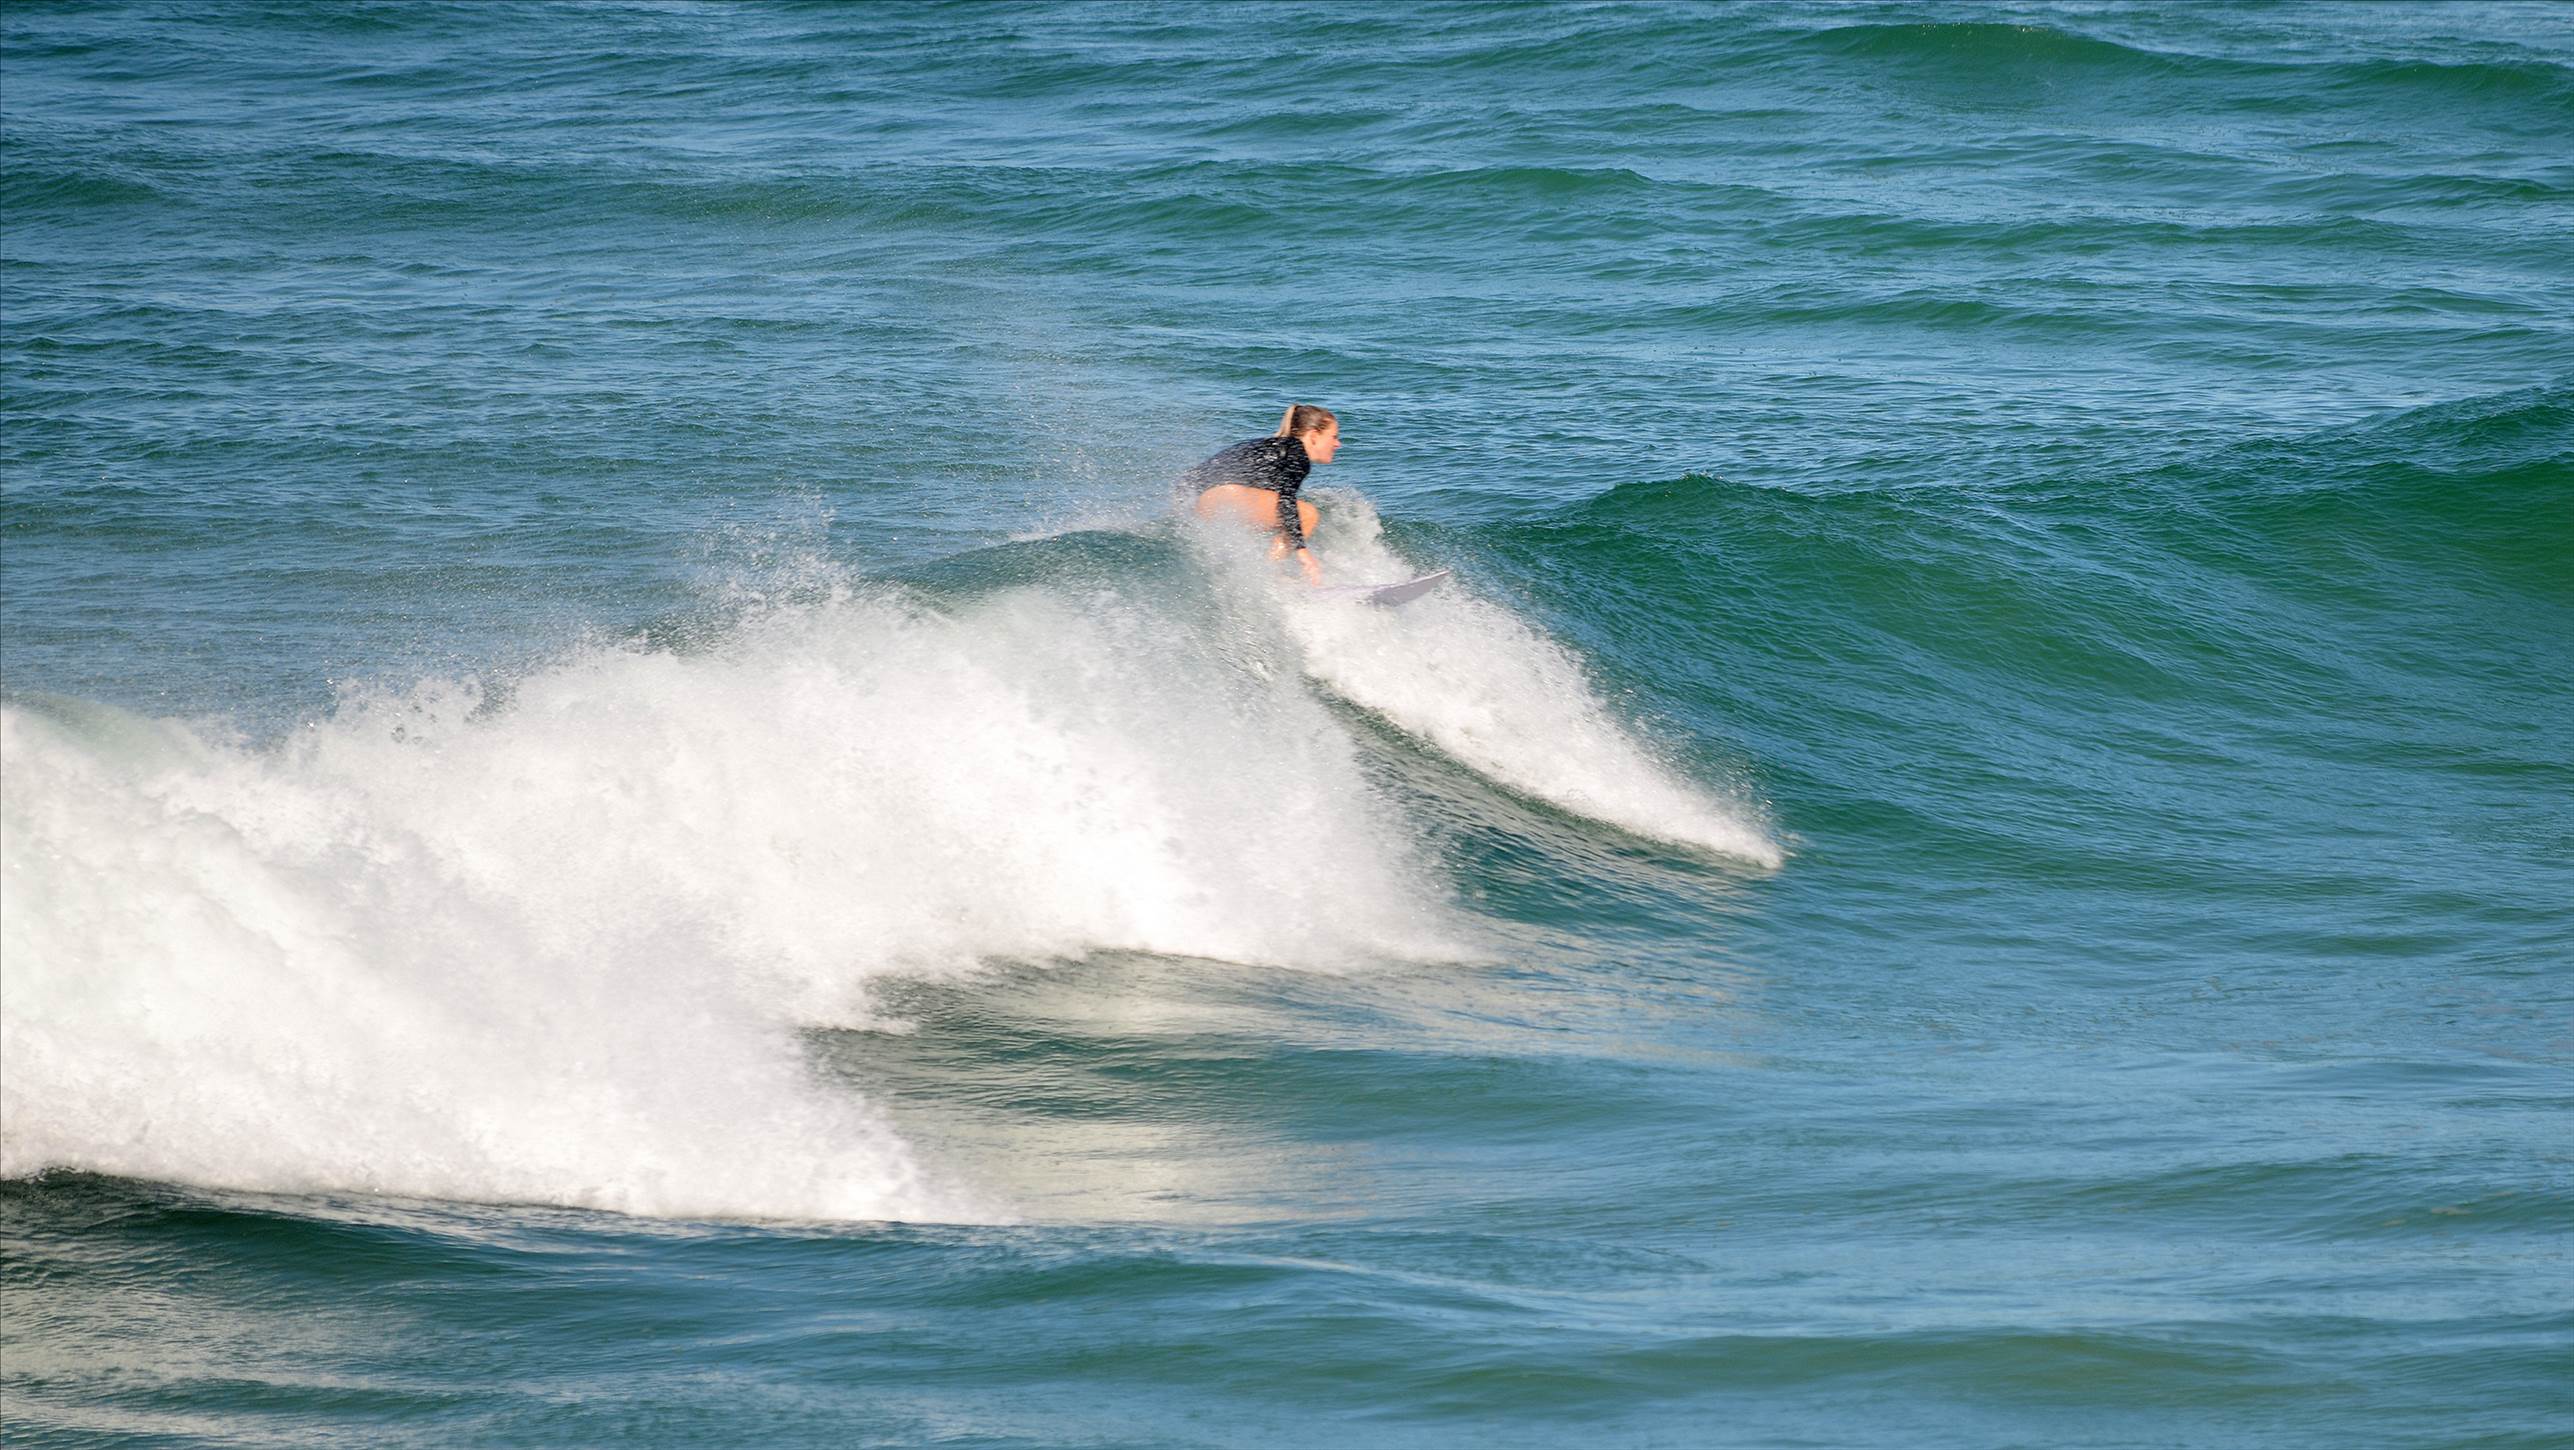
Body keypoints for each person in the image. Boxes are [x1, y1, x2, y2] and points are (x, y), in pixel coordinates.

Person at [1185, 405, 1341, 586]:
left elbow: (1198, 475)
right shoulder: (1297, 453)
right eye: (1334, 437)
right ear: (1314, 436)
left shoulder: (1270, 446)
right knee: (1308, 514)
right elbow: (1286, 500)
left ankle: (1245, 575)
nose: (1338, 444)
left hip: (1199, 497)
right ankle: (1268, 577)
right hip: (1224, 495)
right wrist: (1302, 551)